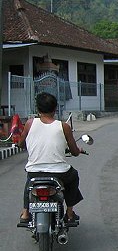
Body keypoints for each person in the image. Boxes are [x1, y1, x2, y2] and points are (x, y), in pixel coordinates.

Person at [17, 92, 84, 224]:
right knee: (74, 176)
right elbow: (74, 151)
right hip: (60, 173)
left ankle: (25, 212)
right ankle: (69, 213)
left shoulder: (30, 123)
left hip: (34, 171)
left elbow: (20, 143)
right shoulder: (64, 126)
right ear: (55, 109)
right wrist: (79, 150)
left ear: (38, 109)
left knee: (30, 182)